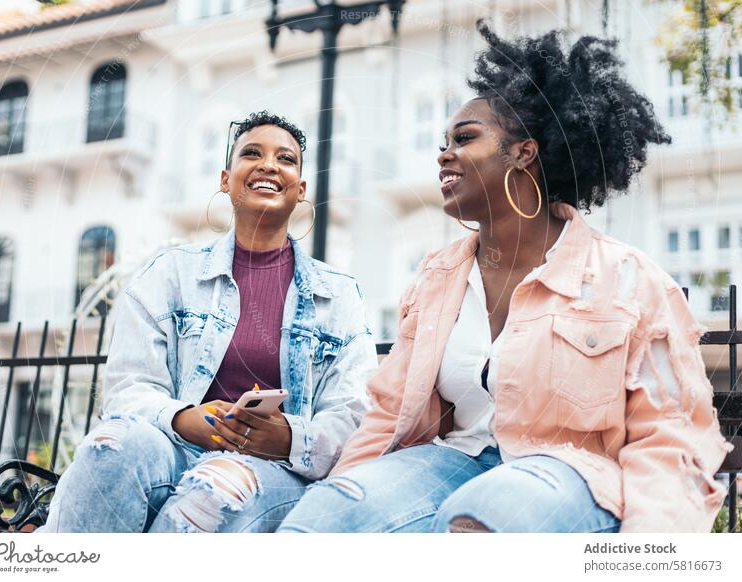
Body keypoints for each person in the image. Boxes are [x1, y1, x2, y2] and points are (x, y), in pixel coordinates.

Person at [278, 22, 732, 534]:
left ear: (524, 152)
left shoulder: (630, 281)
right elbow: (387, 415)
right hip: (450, 462)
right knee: (323, 518)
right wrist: (338, 502)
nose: (444, 154)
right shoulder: (435, 279)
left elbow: (669, 438)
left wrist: (646, 556)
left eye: (465, 139)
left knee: (484, 519)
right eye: (443, 142)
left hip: (569, 475)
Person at [38, 111, 377, 533]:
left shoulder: (340, 294)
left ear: (301, 189)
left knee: (211, 492)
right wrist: (186, 420)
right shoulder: (168, 274)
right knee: (111, 447)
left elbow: (353, 415)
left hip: (276, 471)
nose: (269, 165)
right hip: (174, 446)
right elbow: (128, 389)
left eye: (285, 159)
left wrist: (287, 438)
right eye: (251, 153)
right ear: (225, 178)